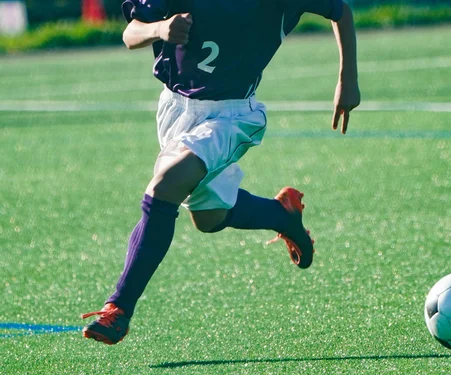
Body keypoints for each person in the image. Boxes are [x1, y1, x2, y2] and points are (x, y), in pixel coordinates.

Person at [81, 0, 360, 345]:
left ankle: (118, 309)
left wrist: (347, 80)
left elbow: (340, 10)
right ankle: (282, 215)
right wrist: (160, 28)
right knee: (209, 217)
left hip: (232, 116)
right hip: (174, 108)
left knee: (166, 184)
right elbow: (130, 33)